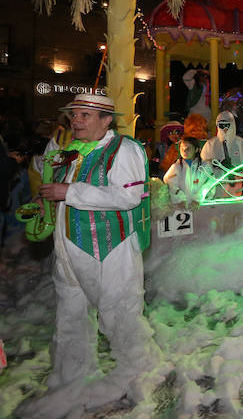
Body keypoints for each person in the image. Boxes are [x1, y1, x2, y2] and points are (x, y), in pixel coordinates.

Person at [25, 94, 160, 415]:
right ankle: (71, 375)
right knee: (70, 315)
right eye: (75, 114)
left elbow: (128, 196)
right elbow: (50, 184)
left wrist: (68, 192)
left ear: (106, 120)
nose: (77, 120)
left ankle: (135, 369)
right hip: (67, 250)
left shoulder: (124, 149)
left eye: (86, 115)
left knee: (119, 313)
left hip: (110, 250)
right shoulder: (68, 151)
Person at [163, 136, 204, 207]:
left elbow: (208, 184)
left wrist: (197, 199)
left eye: (188, 148)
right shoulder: (176, 167)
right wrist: (180, 199)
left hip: (201, 207)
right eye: (182, 148)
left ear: (196, 149)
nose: (184, 151)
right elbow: (170, 184)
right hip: (181, 209)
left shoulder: (204, 166)